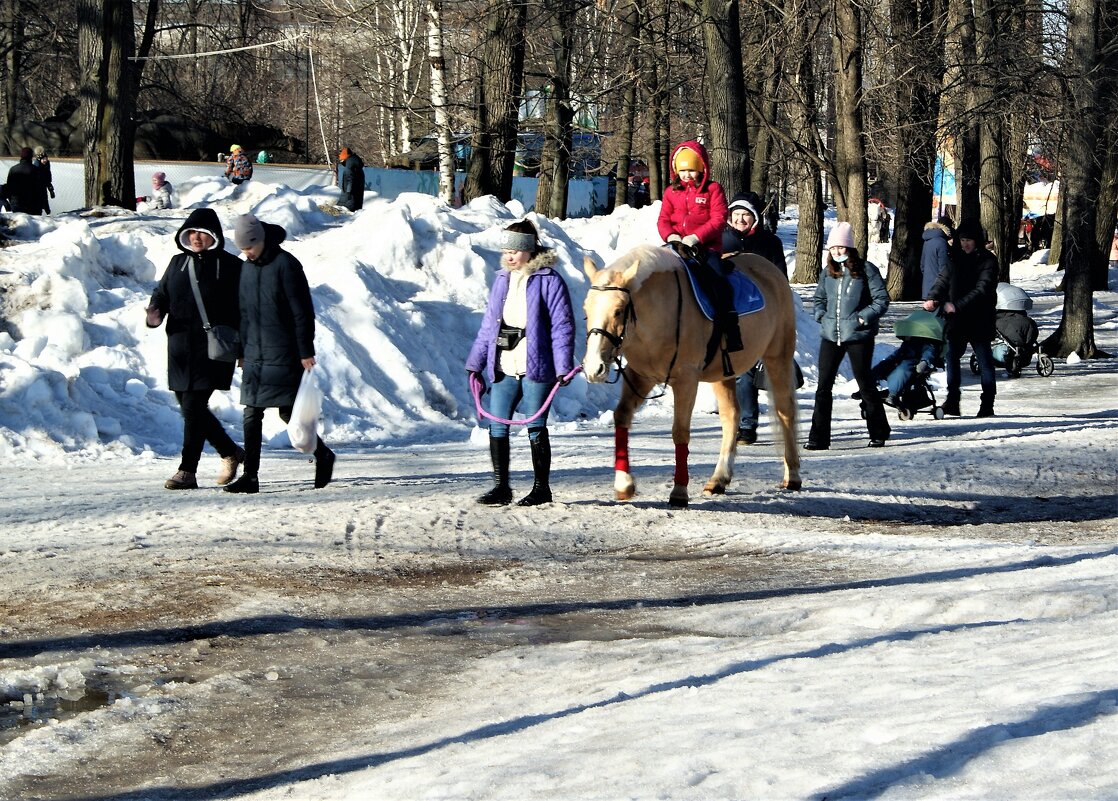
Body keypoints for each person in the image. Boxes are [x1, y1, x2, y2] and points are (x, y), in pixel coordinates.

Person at [466, 220, 575, 507]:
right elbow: (489, 325)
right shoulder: (502, 279)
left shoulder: (550, 280)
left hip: (537, 365)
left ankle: (542, 488)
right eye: (506, 250)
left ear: (529, 250)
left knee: (535, 425)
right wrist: (475, 363)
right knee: (496, 422)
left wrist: (563, 366)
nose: (509, 255)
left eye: (515, 250)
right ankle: (501, 487)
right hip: (504, 362)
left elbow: (562, 326)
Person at [224, 213, 334, 493]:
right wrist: (241, 350)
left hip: (284, 351)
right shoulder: (245, 268)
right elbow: (242, 312)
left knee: (289, 414)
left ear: (261, 240)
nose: (246, 252)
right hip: (254, 354)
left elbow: (302, 312)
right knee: (251, 413)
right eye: (242, 248)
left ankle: (322, 454)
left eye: (249, 246)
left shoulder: (286, 265)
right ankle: (251, 476)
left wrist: (304, 350)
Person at [145, 208, 245, 490]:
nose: (196, 237)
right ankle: (230, 451)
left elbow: (244, 309)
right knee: (190, 406)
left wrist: (244, 349)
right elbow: (161, 293)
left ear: (214, 236)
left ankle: (187, 470)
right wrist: (155, 313)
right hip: (179, 348)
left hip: (214, 348)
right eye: (192, 232)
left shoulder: (230, 266)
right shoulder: (177, 262)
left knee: (193, 406)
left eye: (202, 232)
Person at [806, 221, 891, 450]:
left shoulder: (866, 270)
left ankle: (879, 431)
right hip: (830, 335)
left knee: (865, 383)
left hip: (858, 336)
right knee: (823, 386)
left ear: (850, 248)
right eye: (833, 249)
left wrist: (862, 318)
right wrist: (820, 315)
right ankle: (818, 438)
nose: (836, 252)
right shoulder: (828, 273)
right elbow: (819, 299)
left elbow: (882, 300)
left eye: (840, 248)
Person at [657, 140, 740, 353]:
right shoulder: (670, 193)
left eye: (691, 170)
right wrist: (672, 235)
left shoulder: (713, 189)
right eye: (682, 170)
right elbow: (663, 220)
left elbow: (719, 218)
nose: (687, 175)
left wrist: (696, 237)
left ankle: (730, 328)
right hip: (676, 245)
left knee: (717, 278)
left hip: (705, 248)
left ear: (702, 168)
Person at [721, 192, 786, 444]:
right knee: (735, 370)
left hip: (761, 312)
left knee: (748, 369)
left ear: (754, 218)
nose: (739, 219)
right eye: (735, 215)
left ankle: (749, 424)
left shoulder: (769, 243)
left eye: (745, 215)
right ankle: (738, 420)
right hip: (729, 313)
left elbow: (779, 279)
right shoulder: (720, 240)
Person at [923, 217, 998, 417]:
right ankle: (953, 400)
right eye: (962, 239)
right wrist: (933, 297)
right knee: (952, 359)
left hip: (979, 319)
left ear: (977, 241)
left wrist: (956, 305)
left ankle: (987, 403)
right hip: (956, 322)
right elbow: (942, 281)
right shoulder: (954, 259)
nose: (965, 243)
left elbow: (982, 289)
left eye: (969, 240)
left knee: (984, 362)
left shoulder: (988, 261)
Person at [870, 310, 945, 408]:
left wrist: (924, 362)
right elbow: (897, 354)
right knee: (884, 365)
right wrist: (889, 360)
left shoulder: (927, 343)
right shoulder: (907, 344)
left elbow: (928, 354)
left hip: (913, 364)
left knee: (902, 368)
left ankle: (893, 394)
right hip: (901, 361)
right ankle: (867, 388)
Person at [5, 147, 46, 214]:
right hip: (33, 205)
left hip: (17, 204)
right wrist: (43, 204)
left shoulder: (13, 169)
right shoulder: (36, 170)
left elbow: (9, 187)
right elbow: (41, 189)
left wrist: (12, 201)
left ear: (21, 156)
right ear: (31, 156)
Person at [920, 219, 952, 299]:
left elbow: (922, 266)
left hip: (927, 286)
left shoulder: (927, 242)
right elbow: (944, 267)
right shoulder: (942, 242)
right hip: (939, 287)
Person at [336, 146, 365, 212]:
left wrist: (348, 192)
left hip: (349, 199)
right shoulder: (356, 163)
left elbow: (349, 179)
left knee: (346, 214)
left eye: (342, 161)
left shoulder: (349, 164)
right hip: (357, 197)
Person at [32, 146, 54, 212]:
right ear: (39, 159)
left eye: (46, 158)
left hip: (43, 186)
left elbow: (47, 178)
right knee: (39, 203)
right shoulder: (36, 166)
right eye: (43, 159)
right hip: (37, 188)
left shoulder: (46, 164)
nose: (45, 160)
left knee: (45, 201)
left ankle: (47, 212)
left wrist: (51, 189)